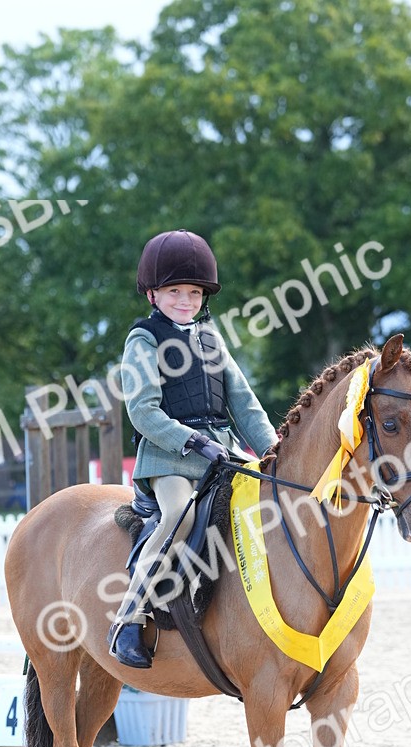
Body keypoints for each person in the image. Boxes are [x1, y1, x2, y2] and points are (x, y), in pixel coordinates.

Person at [109, 228, 279, 669]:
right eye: (174, 291)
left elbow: (244, 404)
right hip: (170, 459)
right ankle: (128, 619)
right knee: (179, 516)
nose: (185, 300)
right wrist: (193, 441)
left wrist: (274, 449)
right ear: (152, 294)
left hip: (221, 454)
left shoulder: (211, 339)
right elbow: (143, 412)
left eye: (194, 292)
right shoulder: (143, 340)